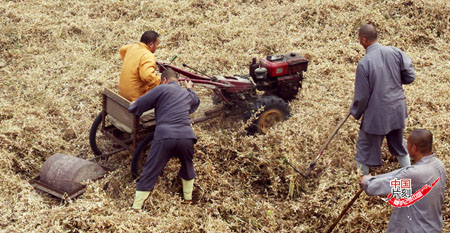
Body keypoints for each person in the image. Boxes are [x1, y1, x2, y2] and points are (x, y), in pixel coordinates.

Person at [129, 68, 200, 210]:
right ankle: (188, 200)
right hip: (186, 136)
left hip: (165, 136)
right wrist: (190, 89)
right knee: (187, 165)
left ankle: (136, 207)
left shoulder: (161, 89)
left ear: (164, 80)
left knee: (151, 169)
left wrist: (133, 106)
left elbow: (138, 106)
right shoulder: (186, 94)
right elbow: (196, 102)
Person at [351, 24, 416, 175]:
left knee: (364, 147)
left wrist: (355, 112)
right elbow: (410, 76)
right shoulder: (394, 51)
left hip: (377, 115)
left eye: (360, 40)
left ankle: (361, 182)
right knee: (398, 142)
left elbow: (362, 97)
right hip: (397, 108)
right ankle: (410, 173)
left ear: (364, 39)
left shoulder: (364, 63)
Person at [360, 129, 446, 233]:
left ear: (414, 148)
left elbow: (389, 185)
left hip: (417, 228)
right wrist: (374, 178)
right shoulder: (438, 165)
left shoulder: (415, 174)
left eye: (408, 144)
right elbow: (403, 172)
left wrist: (368, 183)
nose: (406, 146)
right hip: (433, 225)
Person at [118, 30, 161, 102]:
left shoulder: (132, 47)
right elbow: (147, 76)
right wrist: (160, 83)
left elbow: (122, 50)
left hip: (122, 94)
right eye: (157, 44)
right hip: (135, 99)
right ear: (151, 44)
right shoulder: (148, 55)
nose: (157, 47)